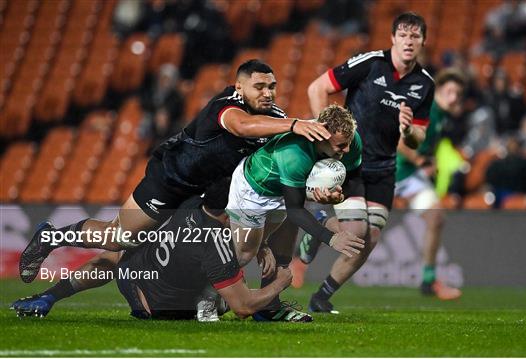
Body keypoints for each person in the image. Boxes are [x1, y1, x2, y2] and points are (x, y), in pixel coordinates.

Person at [19, 59, 331, 284]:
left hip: (209, 192)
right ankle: (51, 236)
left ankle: (211, 299)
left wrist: (316, 183)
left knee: (219, 239)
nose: (268, 92)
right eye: (259, 86)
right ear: (240, 87)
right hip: (172, 180)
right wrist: (294, 124)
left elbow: (284, 158)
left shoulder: (273, 116)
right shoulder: (226, 105)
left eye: (272, 86)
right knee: (119, 239)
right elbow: (242, 126)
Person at [298, 12, 434, 313]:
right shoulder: (371, 63)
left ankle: (321, 297)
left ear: (424, 41)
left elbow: (417, 138)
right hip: (352, 163)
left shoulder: (424, 84)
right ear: (393, 39)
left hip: (384, 169)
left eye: (415, 36)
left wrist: (408, 129)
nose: (408, 41)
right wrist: (326, 137)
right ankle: (318, 226)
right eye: (403, 35)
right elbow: (316, 88)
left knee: (368, 240)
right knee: (356, 232)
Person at [11, 178, 293, 321]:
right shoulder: (216, 242)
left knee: (116, 249)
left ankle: (48, 291)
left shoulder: (193, 203)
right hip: (155, 308)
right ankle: (208, 300)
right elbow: (242, 307)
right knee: (226, 291)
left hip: (136, 271)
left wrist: (260, 243)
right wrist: (278, 284)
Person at [226, 104, 365, 319]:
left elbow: (355, 176)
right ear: (322, 136)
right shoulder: (294, 151)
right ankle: (200, 293)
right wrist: (331, 238)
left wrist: (340, 195)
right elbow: (295, 210)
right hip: (255, 189)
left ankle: (269, 310)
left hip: (288, 189)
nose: (346, 150)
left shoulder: (349, 139)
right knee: (245, 253)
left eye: (348, 143)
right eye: (341, 145)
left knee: (281, 250)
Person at [394, 68, 466, 299]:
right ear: (439, 91)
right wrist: (421, 160)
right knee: (358, 227)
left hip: (410, 176)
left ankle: (428, 280)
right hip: (389, 171)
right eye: (449, 91)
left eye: (457, 93)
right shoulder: (427, 109)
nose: (453, 97)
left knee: (436, 217)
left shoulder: (442, 116)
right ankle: (306, 250)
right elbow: (399, 142)